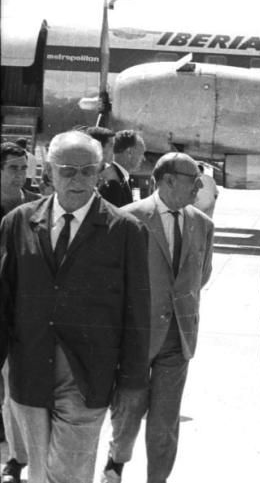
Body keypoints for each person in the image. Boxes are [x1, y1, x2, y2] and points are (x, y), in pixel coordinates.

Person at [0, 130, 150, 483]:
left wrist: (131, 384)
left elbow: (137, 312)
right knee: (39, 474)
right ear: (49, 173)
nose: (78, 179)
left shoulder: (126, 231)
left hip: (87, 376)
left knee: (68, 475)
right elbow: (3, 302)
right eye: (68, 170)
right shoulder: (18, 221)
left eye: (87, 171)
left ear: (100, 173)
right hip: (29, 371)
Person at [101, 152, 214, 483]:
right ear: (167, 180)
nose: (199, 187)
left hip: (178, 337)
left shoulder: (202, 223)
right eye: (193, 181)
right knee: (128, 410)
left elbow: (201, 276)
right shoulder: (127, 218)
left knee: (166, 421)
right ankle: (116, 464)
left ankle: (157, 479)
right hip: (135, 337)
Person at [0, 142, 40, 481]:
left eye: (23, 168)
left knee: (15, 388)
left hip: (23, 310)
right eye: (13, 168)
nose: (20, 175)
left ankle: (16, 458)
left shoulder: (34, 208)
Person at [86, 125, 133, 207]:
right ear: (99, 147)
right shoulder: (81, 176)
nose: (113, 151)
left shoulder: (114, 180)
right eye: (111, 145)